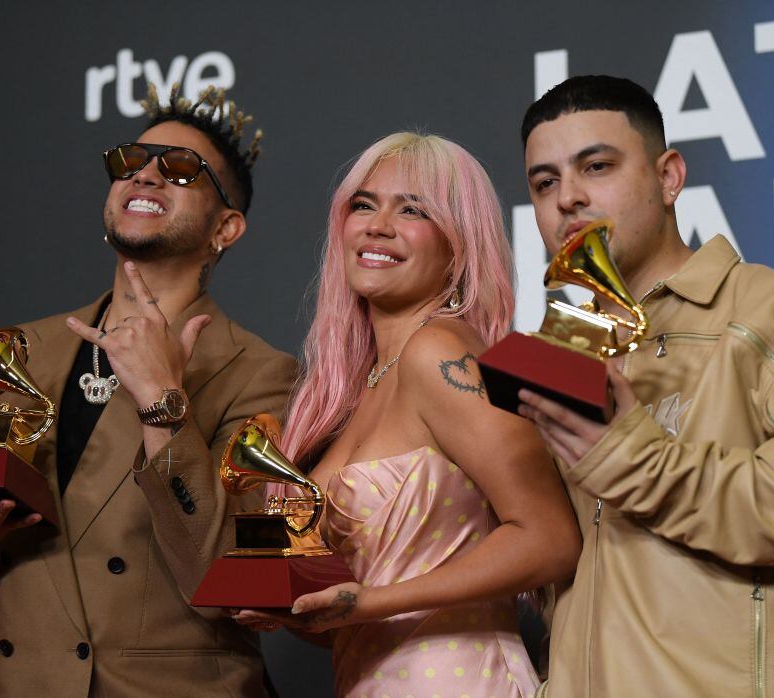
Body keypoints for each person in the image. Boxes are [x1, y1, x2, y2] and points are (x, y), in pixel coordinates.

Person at [516, 75, 774, 696]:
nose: (568, 198)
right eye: (545, 183)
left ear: (669, 177)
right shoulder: (562, 347)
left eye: (596, 166)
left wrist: (631, 459)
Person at [0, 84, 297, 697]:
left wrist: (163, 403)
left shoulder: (263, 374)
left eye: (180, 170)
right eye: (130, 162)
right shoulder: (20, 354)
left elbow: (239, 580)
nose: (145, 176)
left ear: (226, 227)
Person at [234, 132, 580, 697]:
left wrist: (368, 601)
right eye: (364, 205)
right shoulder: (353, 390)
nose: (377, 225)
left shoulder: (440, 351)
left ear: (459, 244)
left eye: (413, 209)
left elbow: (550, 537)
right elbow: (358, 619)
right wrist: (305, 609)